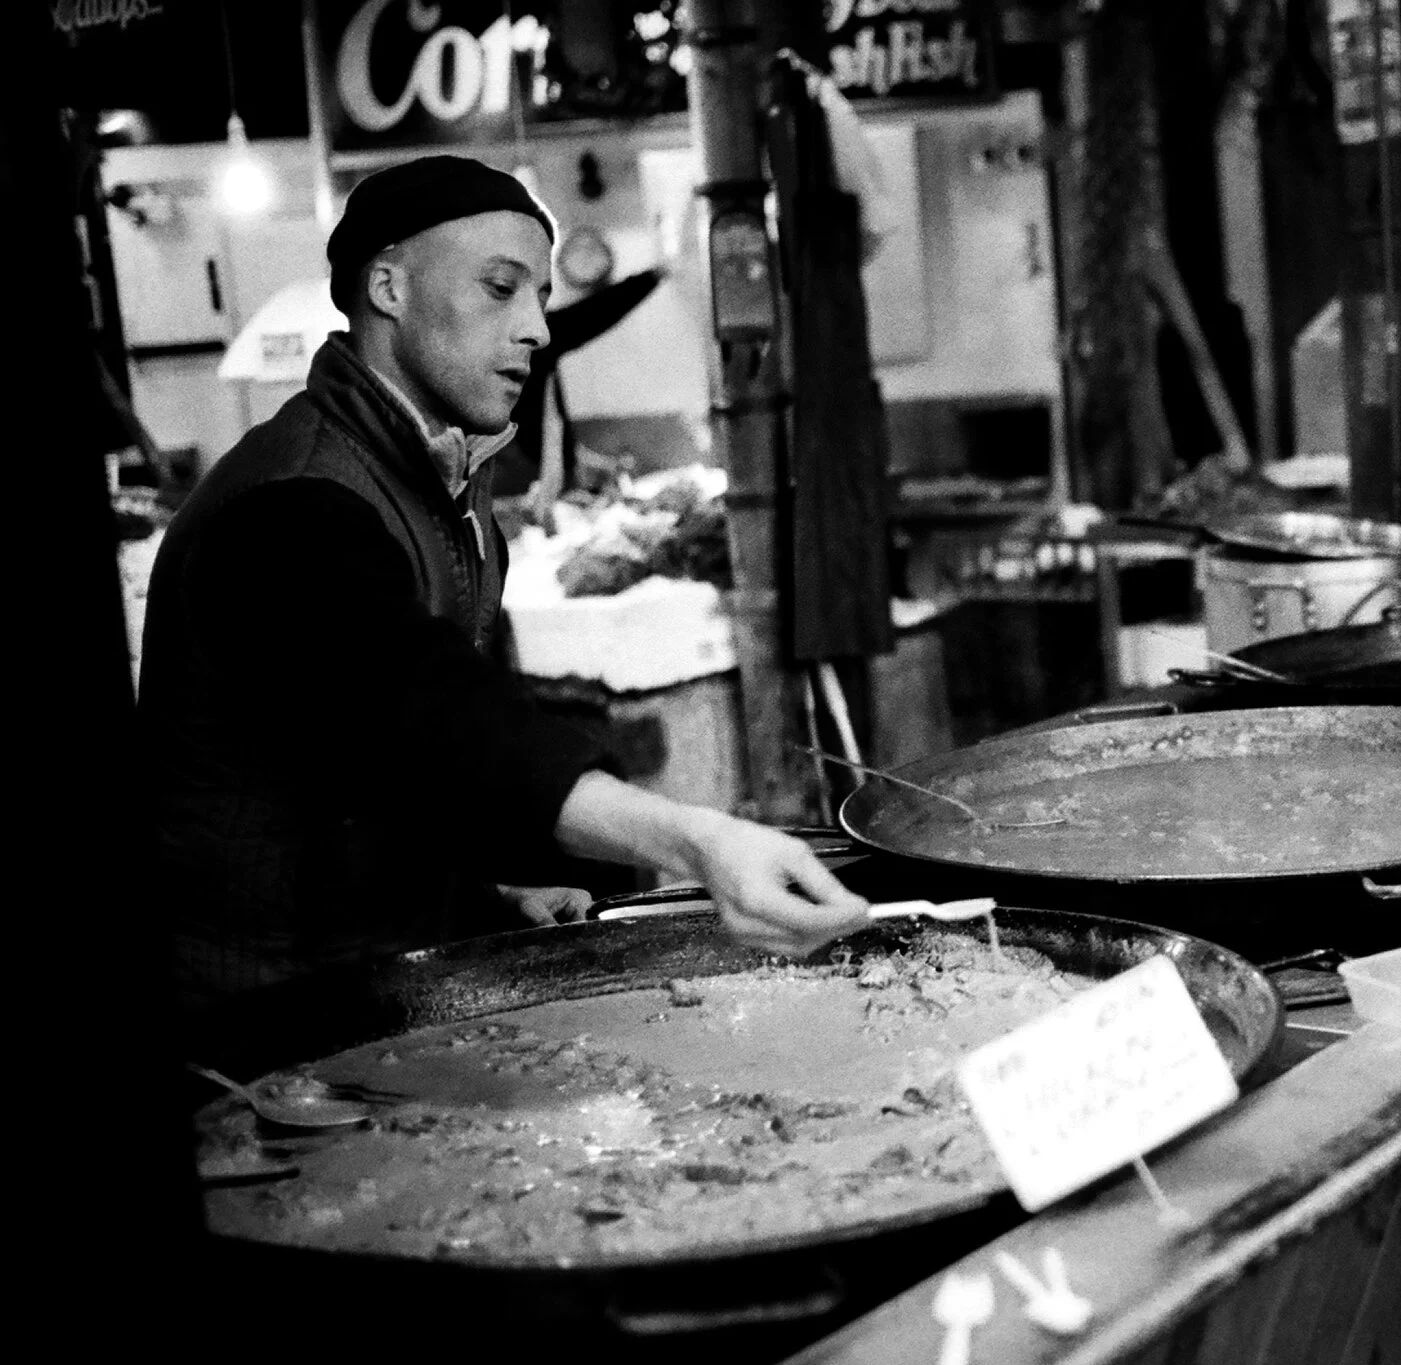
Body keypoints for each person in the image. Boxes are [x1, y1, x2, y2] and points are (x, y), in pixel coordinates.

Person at [142, 156, 869, 1017]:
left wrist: (485, 892)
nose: (538, 329)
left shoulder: (440, 483)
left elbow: (384, 768)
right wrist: (697, 840)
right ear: (388, 287)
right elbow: (428, 714)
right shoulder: (291, 507)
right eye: (499, 288)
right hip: (267, 1006)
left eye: (540, 296)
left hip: (381, 963)